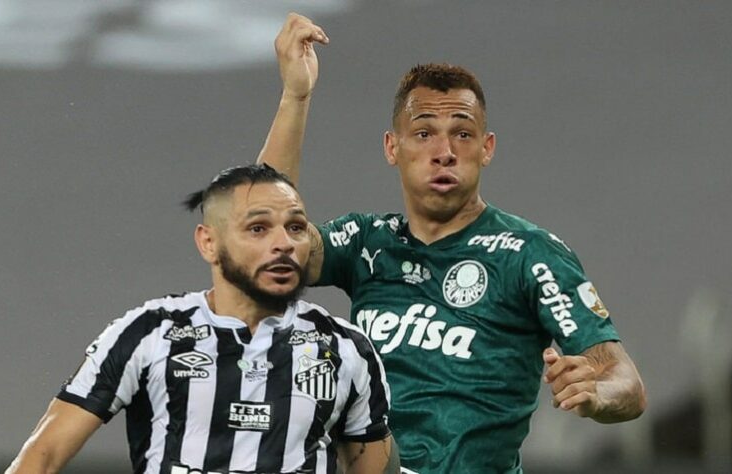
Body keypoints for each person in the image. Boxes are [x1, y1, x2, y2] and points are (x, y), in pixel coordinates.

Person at [255, 13, 647, 474]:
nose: (445, 151)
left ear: (487, 147)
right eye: (424, 133)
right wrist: (296, 96)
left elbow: (628, 384)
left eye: (463, 133)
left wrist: (598, 394)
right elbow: (264, 236)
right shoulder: (366, 243)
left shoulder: (529, 254)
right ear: (392, 147)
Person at [6, 164, 400, 474]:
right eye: (258, 228)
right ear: (208, 243)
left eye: (295, 227)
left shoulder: (346, 350)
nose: (283, 243)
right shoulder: (150, 334)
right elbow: (40, 458)